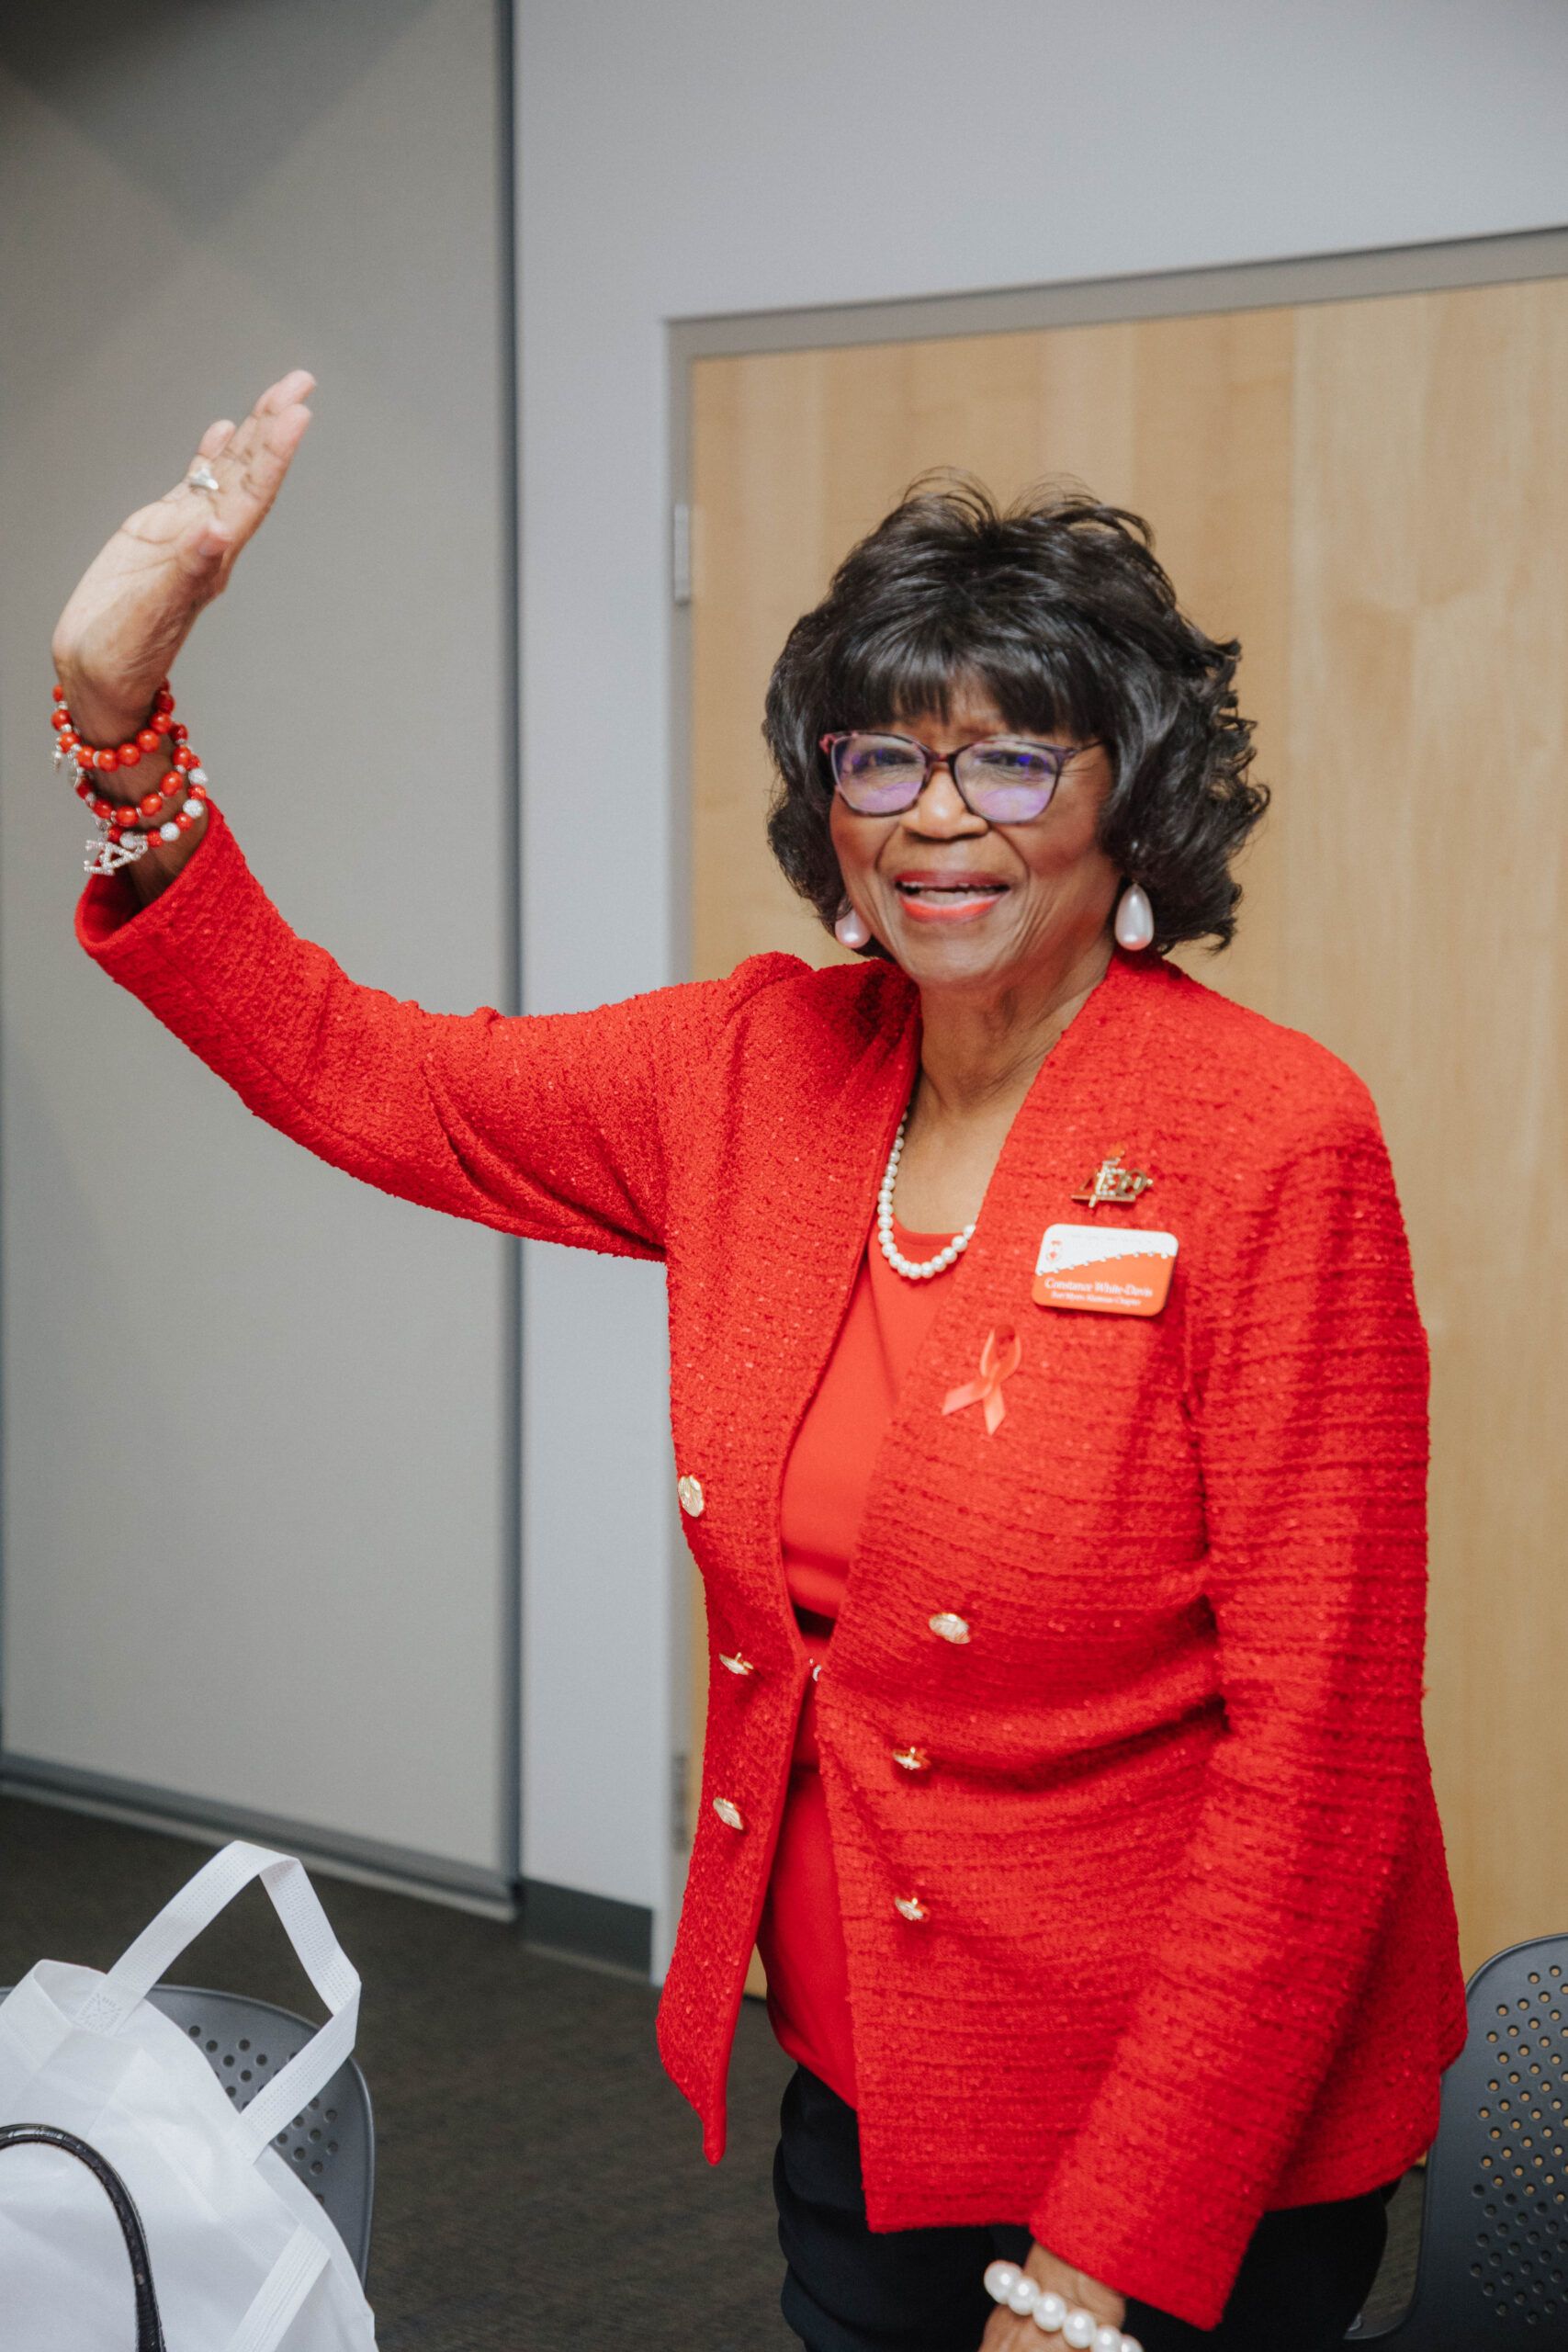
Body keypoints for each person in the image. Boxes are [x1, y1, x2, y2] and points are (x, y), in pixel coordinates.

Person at [51, 373, 1466, 2352]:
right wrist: (120, 725)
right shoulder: (753, 1072)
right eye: (880, 760)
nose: (936, 820)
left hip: (1174, 2134)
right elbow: (362, 1068)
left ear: (1128, 793)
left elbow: (1318, 1772)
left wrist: (1092, 2269)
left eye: (1012, 761)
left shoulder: (1269, 1141)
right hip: (865, 2080)